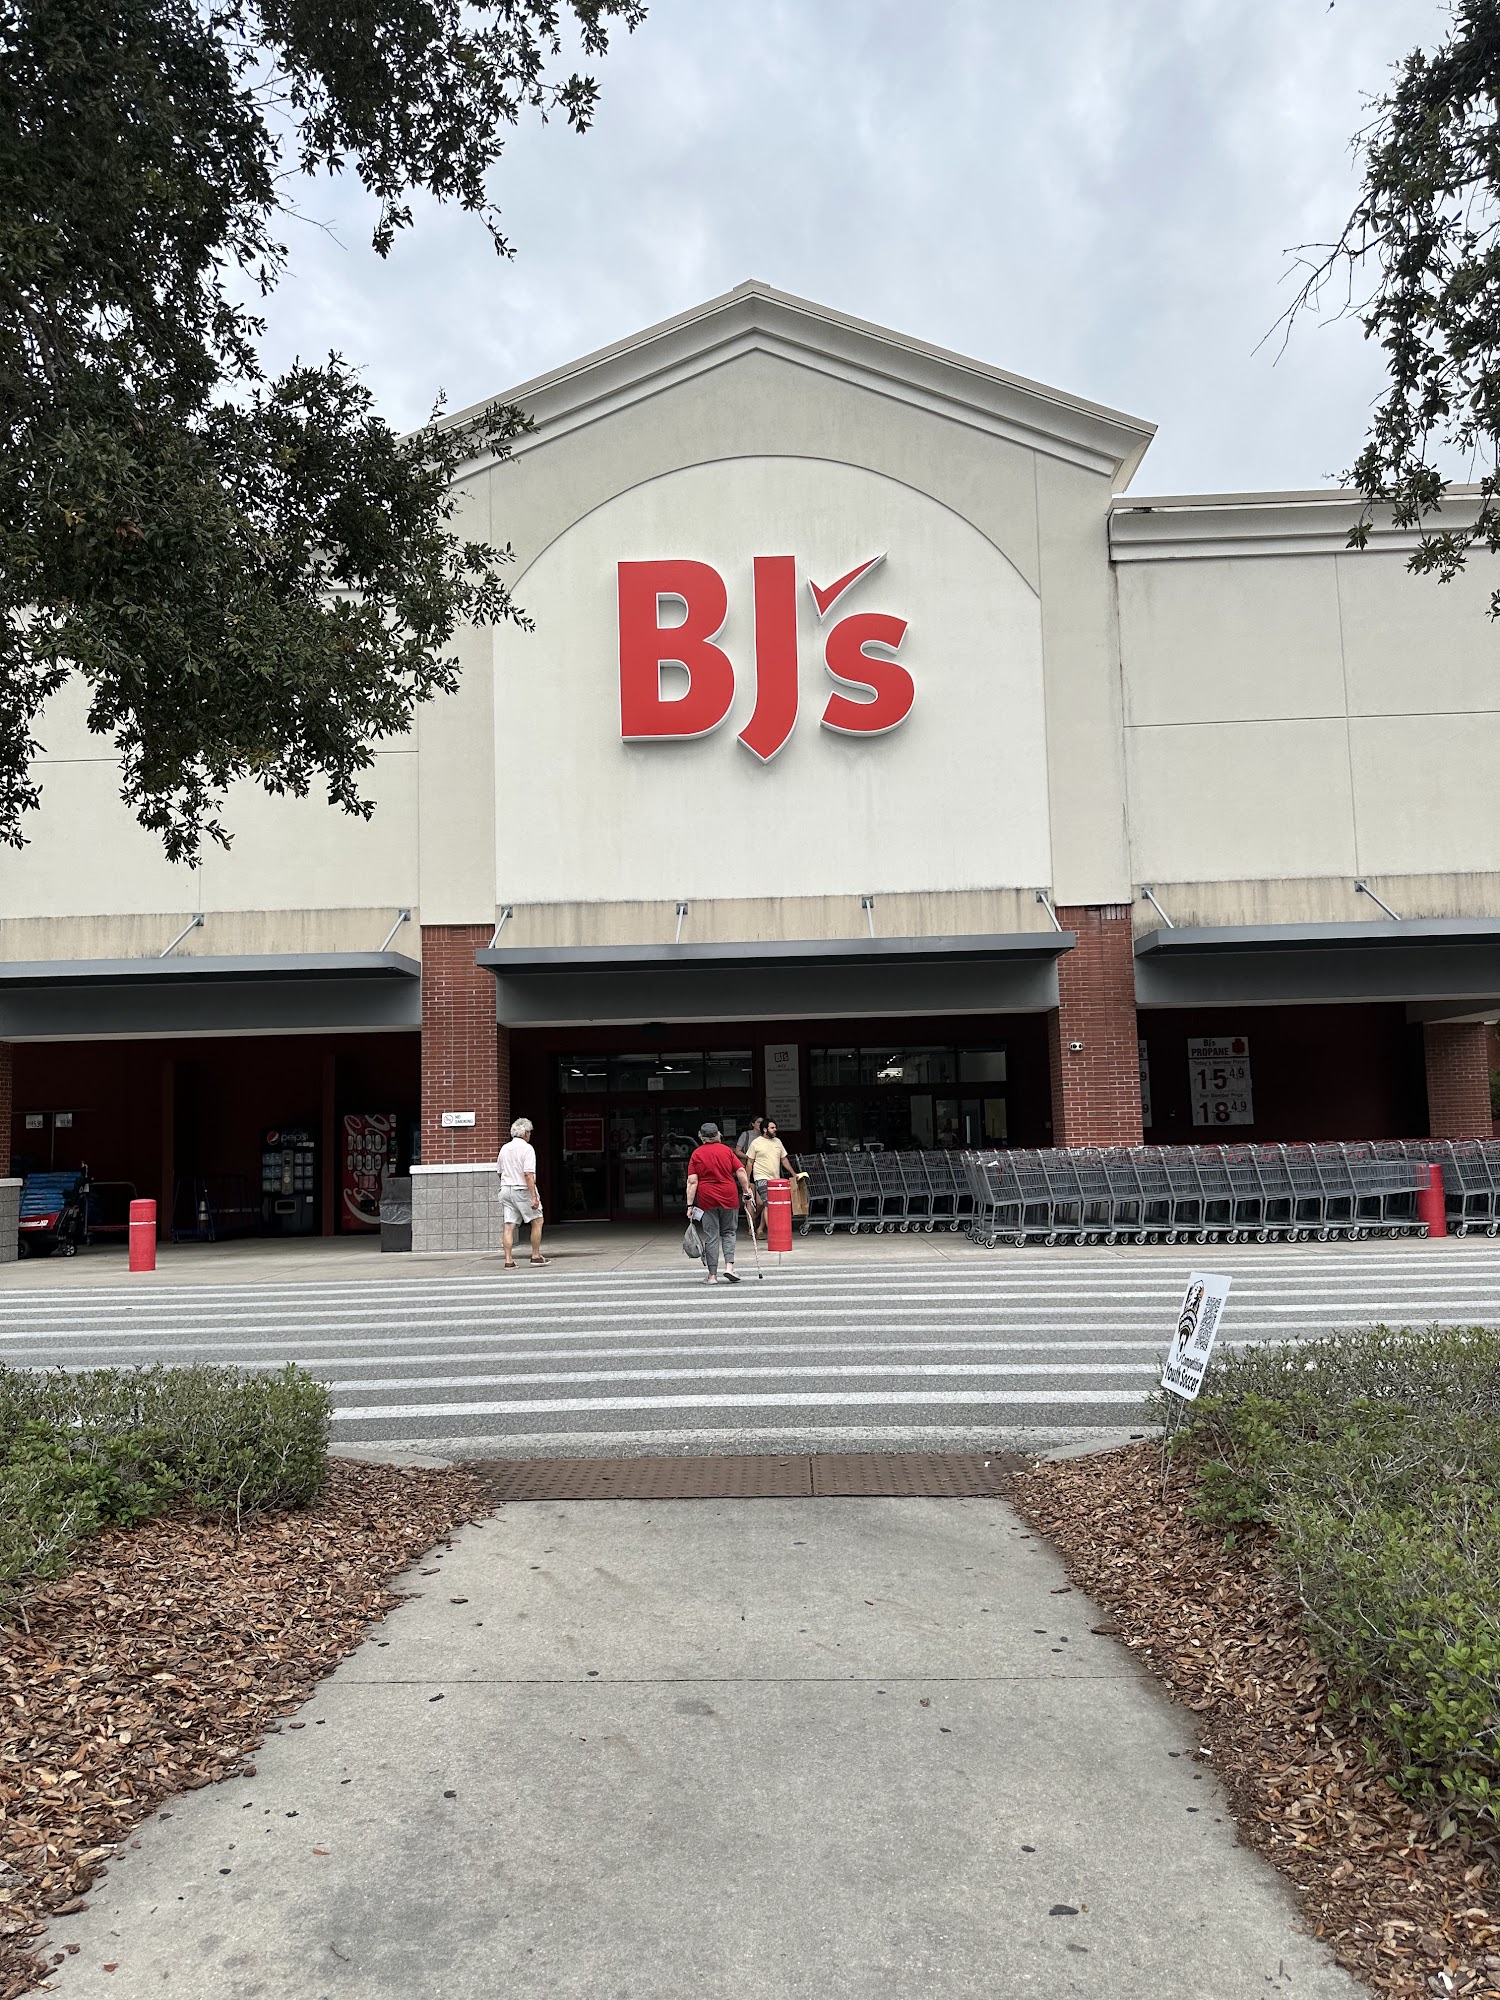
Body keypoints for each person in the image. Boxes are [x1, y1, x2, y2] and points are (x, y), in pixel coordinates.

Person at [684, 1121, 751, 1284]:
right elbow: (741, 1171)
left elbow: (692, 1181)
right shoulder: (727, 1151)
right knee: (729, 1232)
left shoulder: (697, 1154)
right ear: (718, 1135)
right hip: (729, 1196)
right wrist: (746, 1191)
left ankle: (712, 1276)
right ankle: (729, 1268)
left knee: (711, 1235)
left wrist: (690, 1205)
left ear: (701, 1137)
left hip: (707, 1199)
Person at [497, 1116, 548, 1268]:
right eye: (529, 1132)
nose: (530, 1135)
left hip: (506, 1189)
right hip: (521, 1189)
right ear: (525, 1133)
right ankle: (536, 1256)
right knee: (537, 1220)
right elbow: (528, 1174)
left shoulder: (504, 1148)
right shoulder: (527, 1149)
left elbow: (499, 1171)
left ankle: (508, 1261)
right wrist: (534, 1197)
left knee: (509, 1225)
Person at [744, 1116, 792, 1232]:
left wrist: (794, 1174)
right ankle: (773, 1232)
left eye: (775, 1127)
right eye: (772, 1128)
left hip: (775, 1179)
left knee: (764, 1203)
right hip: (761, 1177)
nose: (775, 1129)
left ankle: (759, 1226)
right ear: (765, 1129)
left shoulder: (778, 1142)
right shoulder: (756, 1143)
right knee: (768, 1204)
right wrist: (747, 1181)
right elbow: (749, 1162)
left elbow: (784, 1159)